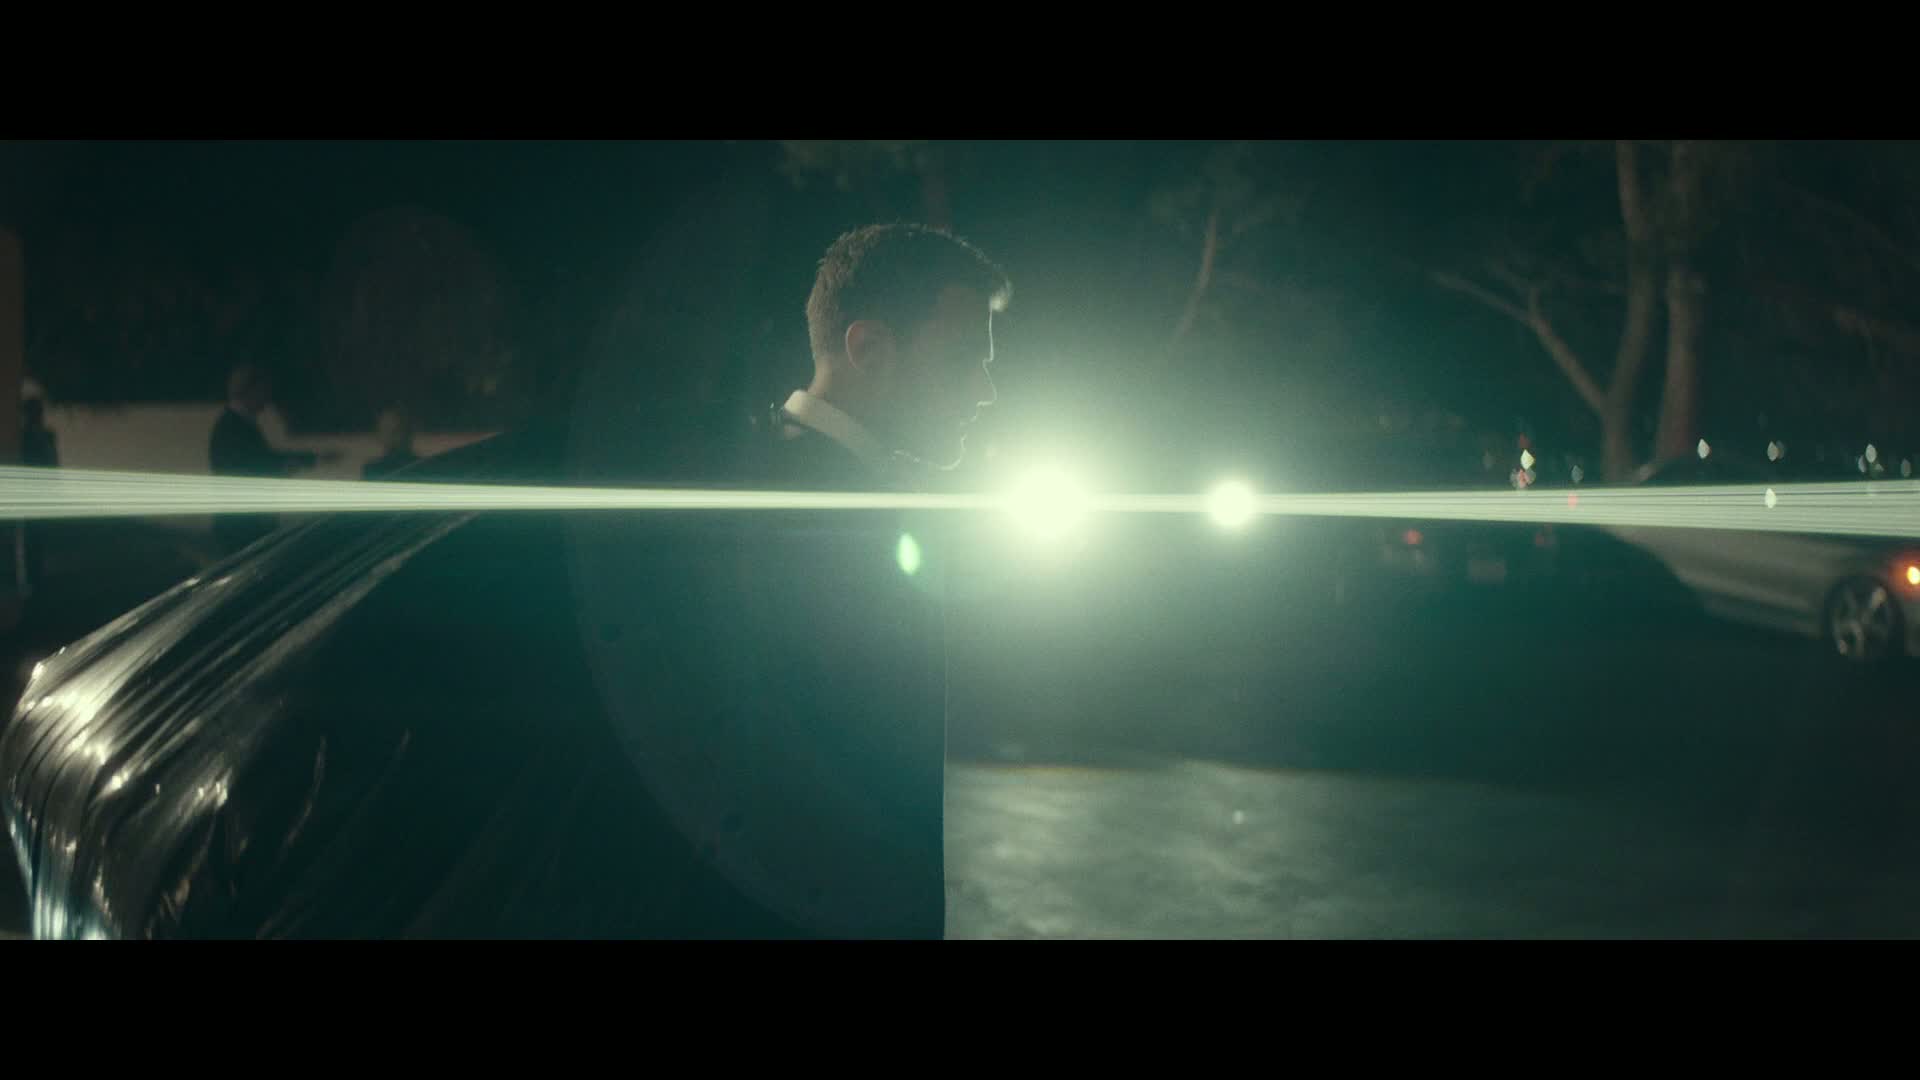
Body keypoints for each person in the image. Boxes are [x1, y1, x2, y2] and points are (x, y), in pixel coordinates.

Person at [0, 224, 1009, 940]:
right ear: (867, 349)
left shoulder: (732, 477)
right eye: (967, 358)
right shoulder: (799, 522)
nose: (986, 391)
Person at [207, 365, 326, 554]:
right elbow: (257, 465)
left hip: (241, 521)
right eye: (264, 390)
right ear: (250, 391)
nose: (268, 397)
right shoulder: (234, 427)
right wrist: (300, 462)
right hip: (242, 524)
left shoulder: (234, 424)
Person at [363, 408, 422, 479]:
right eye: (386, 429)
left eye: (396, 430)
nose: (391, 435)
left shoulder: (372, 470)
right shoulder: (372, 470)